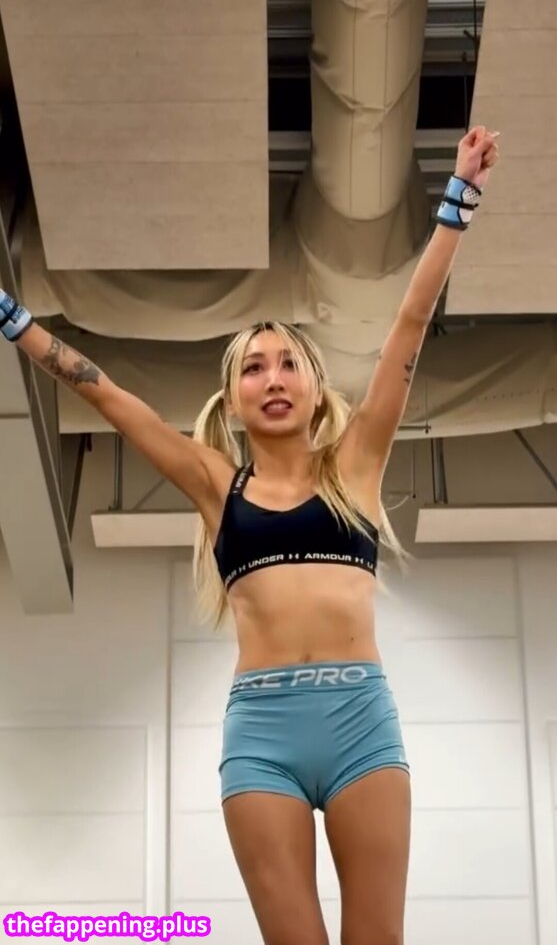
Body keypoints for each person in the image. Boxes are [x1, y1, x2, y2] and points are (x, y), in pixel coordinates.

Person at [1, 125, 499, 945]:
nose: (272, 378)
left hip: (360, 721)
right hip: (262, 733)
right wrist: (15, 320)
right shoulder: (214, 485)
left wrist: (459, 200)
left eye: (287, 363)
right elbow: (107, 395)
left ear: (314, 387)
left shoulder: (356, 467)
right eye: (253, 368)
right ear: (232, 399)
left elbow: (409, 326)